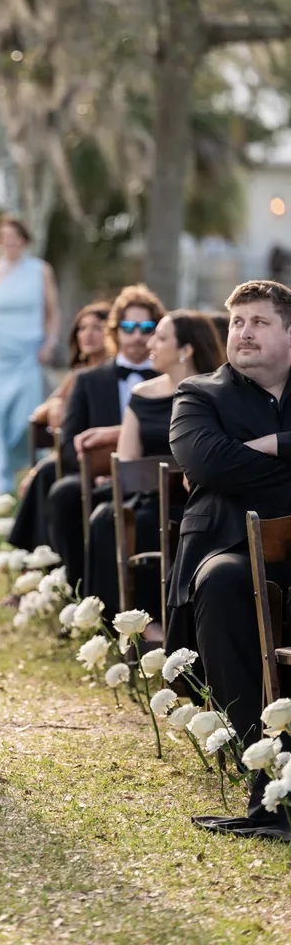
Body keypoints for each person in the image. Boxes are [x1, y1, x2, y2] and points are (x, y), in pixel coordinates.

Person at [168, 281, 291, 839]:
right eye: (237, 321)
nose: (243, 331)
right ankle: (267, 780)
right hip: (230, 550)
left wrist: (271, 445)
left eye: (260, 322)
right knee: (220, 584)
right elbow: (210, 465)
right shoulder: (199, 394)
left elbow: (229, 464)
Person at [85, 311, 224, 621]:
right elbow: (126, 461)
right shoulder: (143, 394)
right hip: (149, 496)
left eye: (161, 337)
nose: (151, 342)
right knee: (109, 519)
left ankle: (174, 623)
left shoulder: (218, 392)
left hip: (198, 498)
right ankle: (126, 622)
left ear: (186, 350)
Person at [45, 284, 166, 589]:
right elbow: (68, 444)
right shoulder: (87, 380)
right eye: (129, 327)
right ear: (116, 331)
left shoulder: (170, 381)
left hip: (155, 478)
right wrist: (96, 472)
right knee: (64, 494)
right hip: (96, 479)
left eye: (146, 327)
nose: (137, 335)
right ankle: (79, 588)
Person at [6, 303, 110, 563]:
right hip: (72, 453)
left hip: (96, 456)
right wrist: (56, 403)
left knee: (46, 473)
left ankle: (36, 560)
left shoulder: (110, 373)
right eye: (82, 328)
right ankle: (35, 559)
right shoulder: (78, 374)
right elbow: (42, 410)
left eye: (97, 328)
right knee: (45, 474)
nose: (88, 334)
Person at [0, 216, 60, 493]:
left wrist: (49, 343)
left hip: (28, 353)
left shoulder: (40, 271)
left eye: (14, 236)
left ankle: (34, 468)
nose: (9, 241)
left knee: (27, 415)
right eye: (4, 236)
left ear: (24, 240)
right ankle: (1, 480)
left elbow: (52, 312)